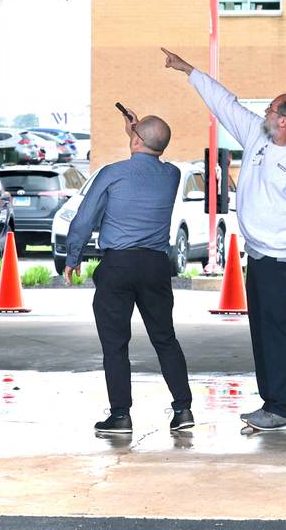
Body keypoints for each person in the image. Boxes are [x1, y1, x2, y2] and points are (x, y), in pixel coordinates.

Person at [162, 47, 286, 432]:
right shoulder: (259, 135)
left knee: (282, 335)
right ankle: (272, 404)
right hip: (260, 258)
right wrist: (189, 71)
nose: (264, 113)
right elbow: (225, 103)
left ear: (285, 121)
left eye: (271, 110)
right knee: (263, 334)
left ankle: (285, 409)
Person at [64, 107, 193, 435]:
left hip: (118, 265)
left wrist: (73, 256)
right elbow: (150, 148)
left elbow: (84, 217)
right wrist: (138, 134)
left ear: (135, 140)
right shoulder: (172, 175)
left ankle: (120, 415)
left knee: (115, 343)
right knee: (165, 338)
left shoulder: (112, 173)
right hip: (155, 266)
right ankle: (182, 410)